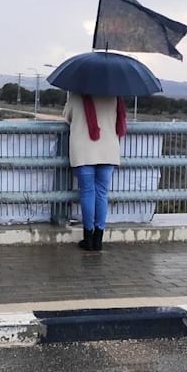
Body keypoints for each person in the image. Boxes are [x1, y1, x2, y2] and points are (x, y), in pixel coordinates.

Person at [63, 92, 127, 252]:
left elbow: (67, 117)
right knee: (101, 193)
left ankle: (88, 238)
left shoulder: (76, 95)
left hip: (84, 149)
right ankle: (98, 239)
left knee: (87, 192)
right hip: (108, 150)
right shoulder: (114, 95)